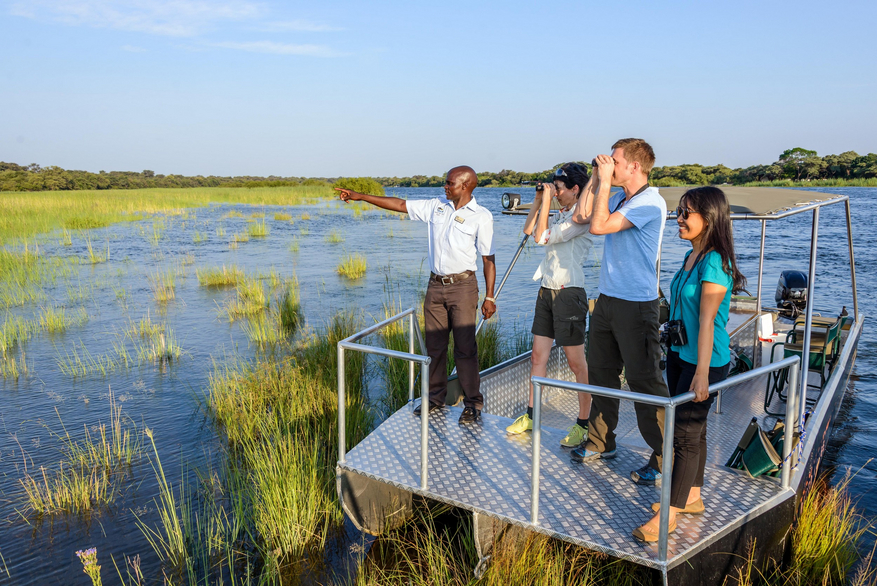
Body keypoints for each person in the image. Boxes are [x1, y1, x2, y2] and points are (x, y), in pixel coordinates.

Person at [335, 166, 496, 424]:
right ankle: (434, 399)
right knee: (434, 346)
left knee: (465, 349)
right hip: (435, 286)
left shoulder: (481, 216)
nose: (444, 187)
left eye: (449, 183)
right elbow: (399, 204)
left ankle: (473, 404)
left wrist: (490, 297)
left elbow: (488, 259)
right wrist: (361, 196)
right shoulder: (437, 206)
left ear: (465, 186)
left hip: (463, 287)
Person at [632, 186, 746, 542]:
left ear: (709, 219)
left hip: (706, 362)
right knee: (694, 432)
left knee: (683, 435)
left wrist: (701, 375)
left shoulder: (714, 260)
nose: (678, 219)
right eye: (678, 212)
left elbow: (709, 321)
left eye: (686, 214)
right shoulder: (689, 258)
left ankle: (668, 515)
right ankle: (692, 496)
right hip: (682, 355)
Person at [570, 138, 670, 487]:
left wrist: (603, 181)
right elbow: (582, 215)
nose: (609, 165)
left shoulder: (649, 203)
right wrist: (597, 180)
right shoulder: (617, 197)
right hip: (607, 300)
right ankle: (600, 441)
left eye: (615, 162)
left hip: (638, 305)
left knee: (645, 383)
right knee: (601, 375)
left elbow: (598, 227)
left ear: (634, 167)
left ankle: (663, 458)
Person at [505, 163, 595, 447]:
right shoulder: (561, 212)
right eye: (554, 187)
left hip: (569, 293)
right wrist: (539, 201)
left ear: (575, 189)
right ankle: (532, 416)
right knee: (537, 357)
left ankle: (584, 422)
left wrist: (546, 203)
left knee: (576, 363)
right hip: (546, 289)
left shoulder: (582, 218)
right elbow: (529, 228)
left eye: (559, 189)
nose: (555, 193)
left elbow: (542, 237)